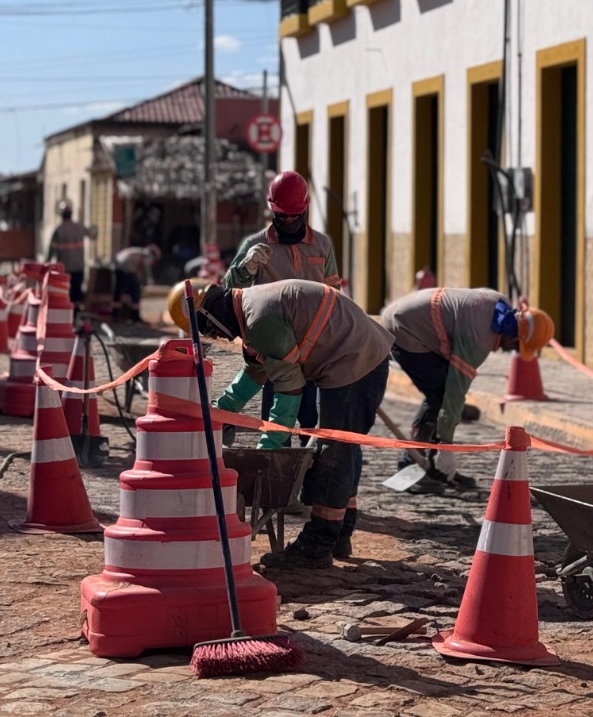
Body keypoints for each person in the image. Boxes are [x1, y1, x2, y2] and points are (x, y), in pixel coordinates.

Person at [192, 278, 392, 569]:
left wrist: (270, 450)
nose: (217, 336)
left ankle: (318, 544)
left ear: (212, 312)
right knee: (338, 450)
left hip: (356, 363)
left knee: (333, 454)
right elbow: (256, 371)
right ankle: (339, 535)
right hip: (353, 359)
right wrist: (220, 413)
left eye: (208, 329)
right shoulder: (252, 310)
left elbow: (289, 388)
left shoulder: (260, 318)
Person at [381, 288, 553, 492]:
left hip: (412, 318)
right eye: (516, 347)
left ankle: (433, 465)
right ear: (513, 337)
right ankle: (410, 463)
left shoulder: (499, 302)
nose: (509, 351)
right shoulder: (479, 339)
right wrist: (447, 444)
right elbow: (455, 391)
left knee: (441, 392)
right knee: (440, 394)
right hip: (403, 327)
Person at [216, 172, 340, 441]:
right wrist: (244, 268)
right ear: (272, 211)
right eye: (282, 216)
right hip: (273, 349)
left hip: (311, 348)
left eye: (295, 216)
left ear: (305, 209)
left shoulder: (322, 246)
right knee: (276, 420)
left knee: (310, 421)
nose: (289, 221)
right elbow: (228, 291)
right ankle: (274, 465)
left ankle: (309, 474)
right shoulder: (255, 245)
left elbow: (334, 295)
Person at [46, 201, 95, 303]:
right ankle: (76, 315)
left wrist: (47, 266)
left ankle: (68, 315)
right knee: (77, 293)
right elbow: (93, 235)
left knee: (66, 294)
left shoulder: (59, 230)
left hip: (65, 269)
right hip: (79, 267)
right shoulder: (80, 227)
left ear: (61, 215)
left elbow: (51, 251)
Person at [112, 243, 159, 319]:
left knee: (118, 291)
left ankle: (116, 314)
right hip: (126, 269)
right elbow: (146, 267)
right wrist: (149, 279)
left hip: (117, 266)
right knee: (135, 291)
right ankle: (134, 316)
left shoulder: (138, 252)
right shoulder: (147, 254)